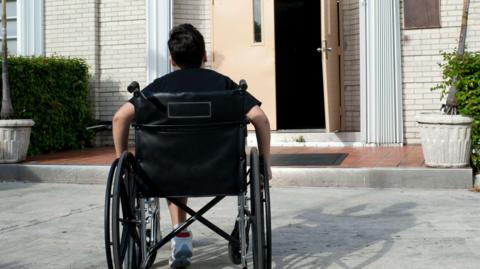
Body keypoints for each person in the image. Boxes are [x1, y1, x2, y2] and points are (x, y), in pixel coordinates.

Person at [112, 23, 271, 268]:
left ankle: (180, 234)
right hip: (223, 173)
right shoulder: (226, 86)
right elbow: (260, 118)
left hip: (166, 173)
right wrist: (265, 165)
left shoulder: (156, 90)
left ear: (172, 59)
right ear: (204, 56)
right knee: (233, 161)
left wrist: (122, 160)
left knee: (173, 159)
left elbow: (120, 118)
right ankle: (240, 224)